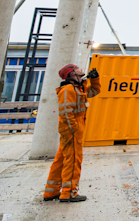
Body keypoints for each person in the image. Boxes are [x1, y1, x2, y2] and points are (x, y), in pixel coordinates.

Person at [42, 63, 100, 203]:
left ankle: (51, 191)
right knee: (73, 161)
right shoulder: (68, 89)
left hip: (73, 129)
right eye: (78, 68)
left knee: (61, 160)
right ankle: (69, 193)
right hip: (72, 130)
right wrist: (73, 129)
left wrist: (94, 79)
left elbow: (94, 91)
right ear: (72, 73)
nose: (81, 69)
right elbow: (66, 113)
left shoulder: (78, 88)